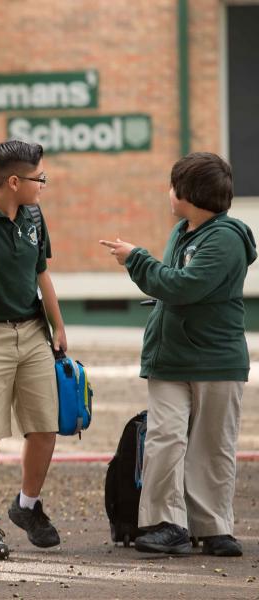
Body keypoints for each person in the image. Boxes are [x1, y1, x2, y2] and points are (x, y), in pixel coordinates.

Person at [100, 152, 255, 557]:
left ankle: (213, 527)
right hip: (169, 359)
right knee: (165, 438)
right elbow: (173, 286)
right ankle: (167, 523)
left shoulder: (224, 237)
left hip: (215, 360)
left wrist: (136, 259)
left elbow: (184, 286)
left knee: (212, 444)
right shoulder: (182, 232)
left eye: (173, 186)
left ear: (188, 193)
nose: (168, 193)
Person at [0, 140, 66, 560]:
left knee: (46, 427)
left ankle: (26, 505)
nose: (44, 185)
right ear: (15, 180)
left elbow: (41, 273)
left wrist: (58, 324)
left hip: (33, 331)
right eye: (40, 178)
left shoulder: (34, 215)